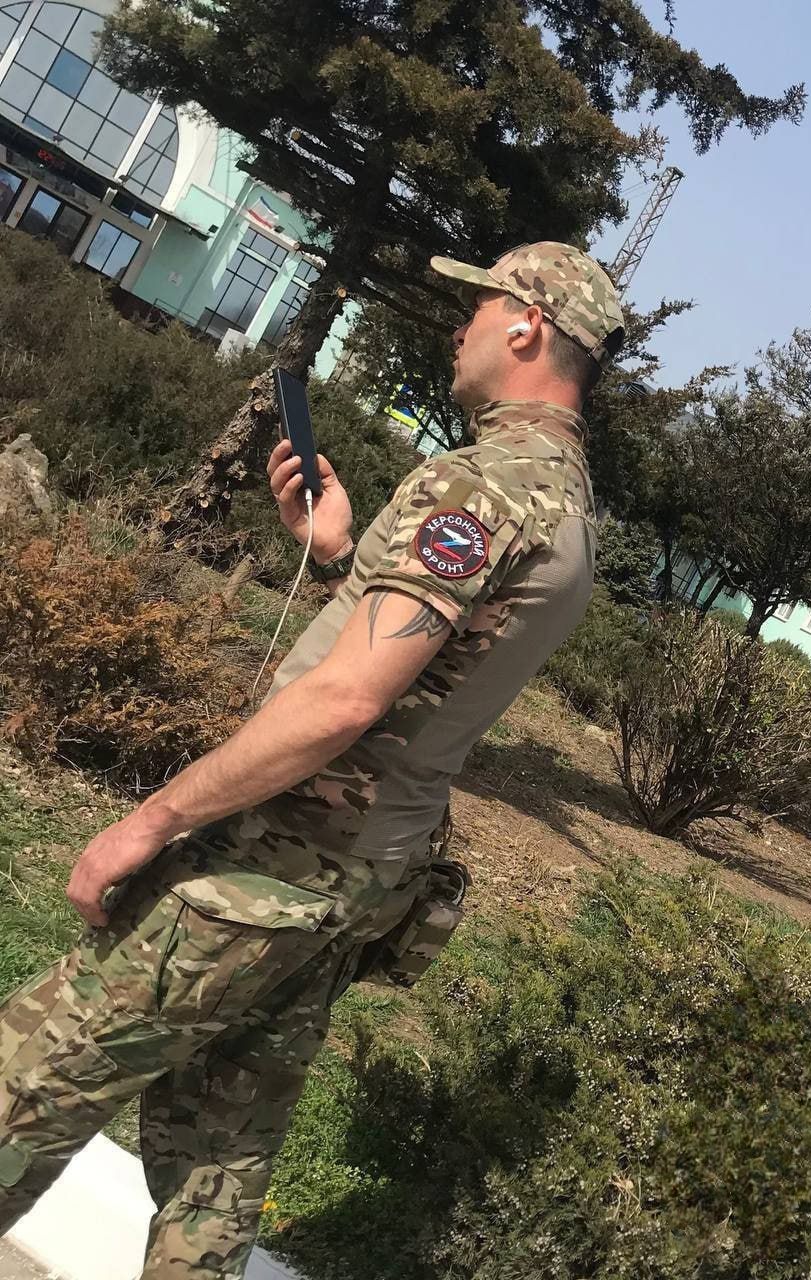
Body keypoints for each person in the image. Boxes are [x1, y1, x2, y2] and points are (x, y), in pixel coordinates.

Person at [0, 241, 625, 1278]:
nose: (458, 326)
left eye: (476, 305)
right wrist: (340, 553)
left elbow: (347, 699)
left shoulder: (480, 485)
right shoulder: (568, 509)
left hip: (264, 868)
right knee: (218, 1162)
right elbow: (434, 665)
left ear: (527, 324)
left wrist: (148, 821)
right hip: (356, 882)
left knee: (29, 1080)